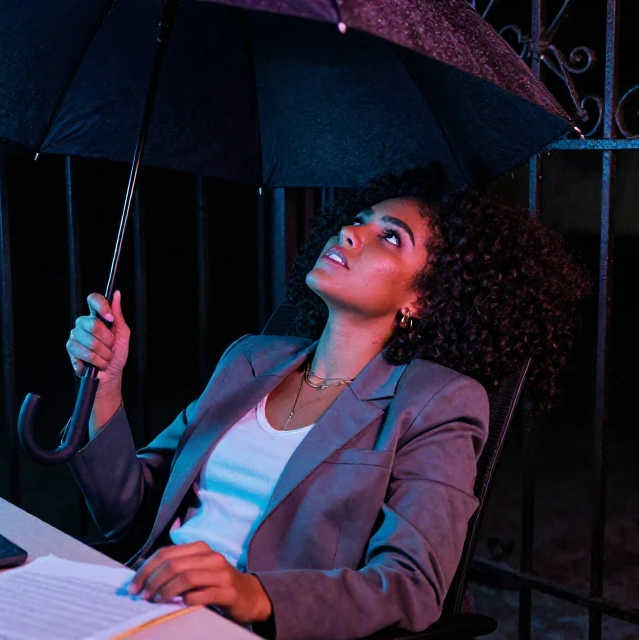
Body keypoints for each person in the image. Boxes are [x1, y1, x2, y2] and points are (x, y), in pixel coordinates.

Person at [63, 166, 588, 639]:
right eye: (357, 219)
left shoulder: (437, 402)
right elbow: (125, 516)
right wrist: (107, 384)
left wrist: (253, 595)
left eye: (389, 236)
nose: (351, 231)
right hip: (142, 606)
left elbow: (411, 588)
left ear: (422, 299)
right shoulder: (251, 359)